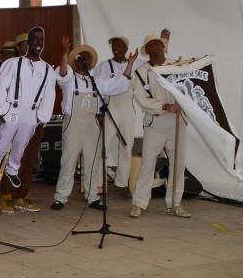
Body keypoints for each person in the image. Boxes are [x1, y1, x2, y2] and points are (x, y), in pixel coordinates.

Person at [51, 37, 137, 211]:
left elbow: (119, 84)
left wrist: (131, 63)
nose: (85, 61)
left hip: (92, 124)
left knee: (93, 161)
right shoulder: (69, 79)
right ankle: (61, 197)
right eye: (81, 58)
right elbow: (61, 73)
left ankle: (92, 197)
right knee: (68, 161)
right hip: (73, 124)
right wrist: (65, 52)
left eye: (87, 59)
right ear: (75, 61)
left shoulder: (95, 81)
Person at [0, 27, 56, 201]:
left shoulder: (47, 70)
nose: (38, 43)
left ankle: (12, 170)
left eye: (41, 39)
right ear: (28, 43)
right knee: (3, 140)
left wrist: (41, 117)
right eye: (35, 39)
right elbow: (0, 86)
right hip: (12, 110)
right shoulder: (13, 63)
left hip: (31, 114)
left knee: (20, 146)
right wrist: (3, 110)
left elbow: (49, 95)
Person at [131, 29, 191, 219]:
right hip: (155, 123)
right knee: (148, 163)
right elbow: (141, 98)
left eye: (157, 43)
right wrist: (164, 106)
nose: (154, 47)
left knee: (178, 164)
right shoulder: (141, 72)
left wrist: (183, 103)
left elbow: (188, 87)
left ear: (163, 46)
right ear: (146, 50)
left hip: (177, 123)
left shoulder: (177, 65)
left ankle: (174, 204)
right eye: (150, 45)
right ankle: (139, 204)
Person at [93, 36, 137, 190]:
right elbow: (96, 89)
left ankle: (122, 183)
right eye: (114, 46)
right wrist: (98, 110)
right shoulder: (104, 66)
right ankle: (98, 184)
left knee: (127, 146)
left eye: (120, 46)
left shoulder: (136, 64)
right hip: (110, 106)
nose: (116, 49)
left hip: (127, 108)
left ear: (126, 48)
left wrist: (165, 43)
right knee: (102, 145)